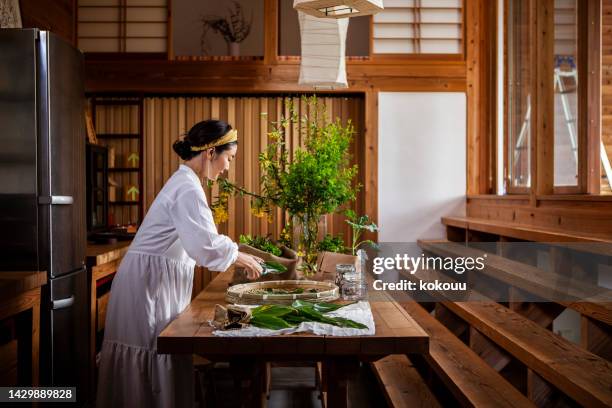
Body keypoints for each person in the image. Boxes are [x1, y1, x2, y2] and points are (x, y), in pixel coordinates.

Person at [97, 120, 263, 408]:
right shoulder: (187, 188)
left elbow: (201, 243)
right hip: (147, 286)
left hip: (150, 282)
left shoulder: (186, 183)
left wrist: (238, 253)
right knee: (151, 356)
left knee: (156, 356)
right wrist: (240, 255)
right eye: (229, 158)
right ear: (211, 152)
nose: (227, 168)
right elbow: (204, 247)